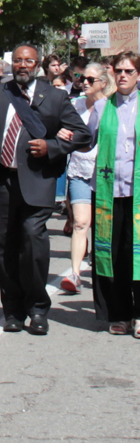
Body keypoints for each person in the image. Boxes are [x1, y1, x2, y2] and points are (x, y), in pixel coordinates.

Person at [0, 44, 90, 336]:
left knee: (33, 244)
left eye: (29, 61)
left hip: (37, 183)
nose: (23, 66)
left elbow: (84, 135)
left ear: (37, 65)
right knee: (4, 249)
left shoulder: (56, 96)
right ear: (12, 64)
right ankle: (12, 310)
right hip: (0, 183)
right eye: (19, 61)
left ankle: (38, 308)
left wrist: (51, 146)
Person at [87, 53, 140, 335]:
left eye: (129, 71)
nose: (122, 75)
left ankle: (139, 313)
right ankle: (119, 314)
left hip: (138, 193)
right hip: (109, 192)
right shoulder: (102, 107)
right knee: (115, 254)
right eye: (118, 70)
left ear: (138, 75)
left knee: (138, 255)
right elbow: (86, 141)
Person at [58, 63, 108, 294]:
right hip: (79, 171)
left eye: (90, 79)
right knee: (80, 222)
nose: (84, 82)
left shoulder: (112, 108)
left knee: (102, 227)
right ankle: (75, 273)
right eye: (81, 78)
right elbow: (60, 130)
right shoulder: (74, 106)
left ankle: (104, 273)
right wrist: (62, 133)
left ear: (103, 83)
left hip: (105, 174)